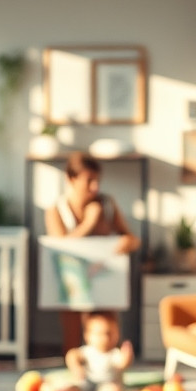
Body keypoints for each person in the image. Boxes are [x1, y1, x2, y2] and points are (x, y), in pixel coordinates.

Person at [44, 152, 140, 358]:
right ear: (71, 179)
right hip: (71, 287)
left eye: (97, 181)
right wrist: (89, 222)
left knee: (105, 333)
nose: (95, 187)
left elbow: (133, 239)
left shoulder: (107, 203)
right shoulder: (55, 211)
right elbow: (60, 248)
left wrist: (126, 242)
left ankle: (109, 374)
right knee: (72, 336)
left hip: (104, 280)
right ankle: (76, 377)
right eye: (89, 181)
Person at [50, 312, 134, 391]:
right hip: (87, 383)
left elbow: (122, 363)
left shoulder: (114, 353)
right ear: (87, 336)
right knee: (73, 387)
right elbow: (72, 355)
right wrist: (76, 368)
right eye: (99, 334)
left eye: (109, 333)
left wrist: (127, 356)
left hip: (106, 385)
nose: (105, 338)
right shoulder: (88, 351)